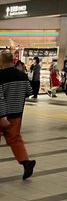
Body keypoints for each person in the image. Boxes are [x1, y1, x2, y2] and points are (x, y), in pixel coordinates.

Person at [0, 50, 36, 180]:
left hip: (2, 115)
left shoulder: (0, 76)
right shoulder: (22, 75)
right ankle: (26, 162)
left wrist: (2, 116)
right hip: (16, 114)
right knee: (15, 140)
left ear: (1, 61)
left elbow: (0, 98)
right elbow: (29, 92)